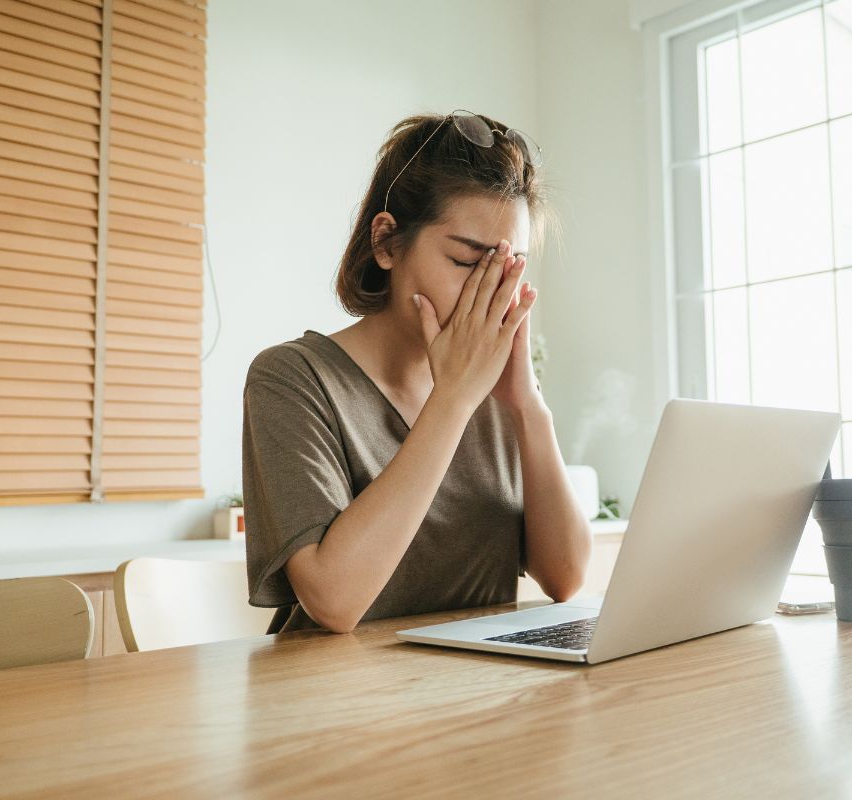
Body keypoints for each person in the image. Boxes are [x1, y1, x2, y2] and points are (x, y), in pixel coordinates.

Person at [241, 111, 592, 634]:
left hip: (477, 692)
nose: (491, 291)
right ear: (386, 242)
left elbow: (564, 578)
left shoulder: (499, 393)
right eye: (468, 262)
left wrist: (529, 407)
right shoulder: (292, 377)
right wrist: (452, 400)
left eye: (509, 267)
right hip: (331, 699)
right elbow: (334, 602)